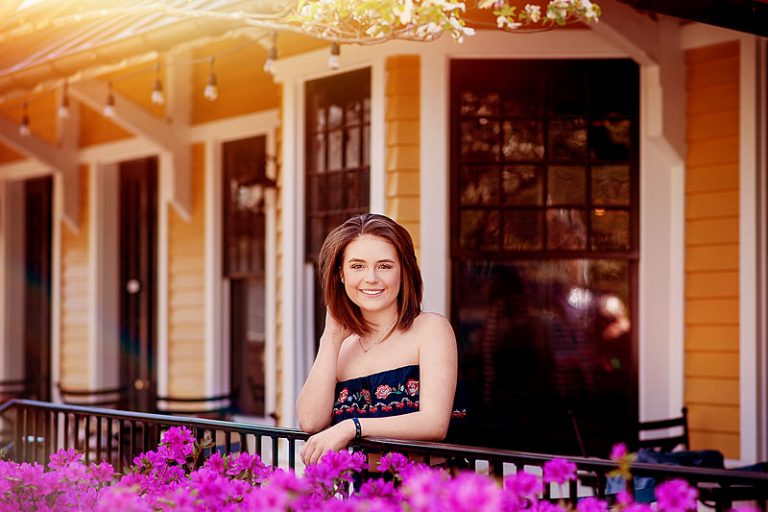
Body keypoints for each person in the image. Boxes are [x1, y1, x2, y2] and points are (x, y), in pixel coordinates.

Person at [296, 213, 459, 466]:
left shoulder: (430, 330)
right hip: (363, 497)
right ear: (341, 275)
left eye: (384, 266)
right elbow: (310, 421)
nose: (371, 278)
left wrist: (352, 427)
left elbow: (434, 423)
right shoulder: (342, 347)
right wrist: (330, 336)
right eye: (357, 266)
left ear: (403, 271)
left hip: (424, 494)